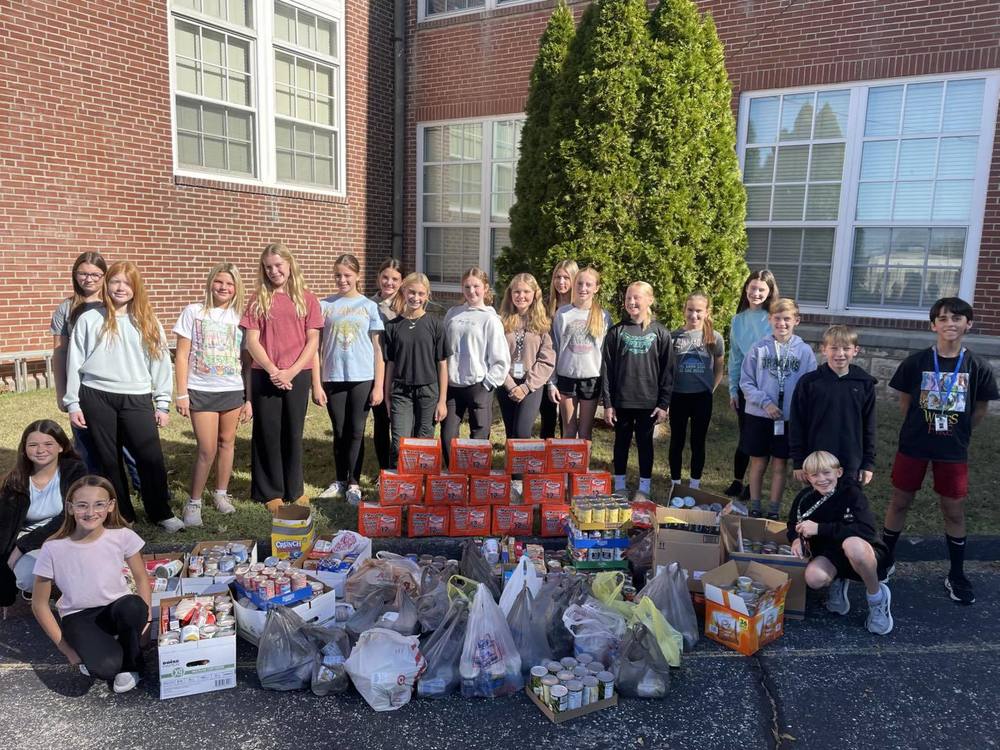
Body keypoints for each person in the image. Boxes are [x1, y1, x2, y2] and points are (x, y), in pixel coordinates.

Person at [881, 297, 999, 605]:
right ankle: (886, 559)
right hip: (915, 444)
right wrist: (919, 427)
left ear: (968, 324)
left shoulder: (978, 367)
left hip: (952, 449)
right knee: (900, 501)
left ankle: (956, 573)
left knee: (953, 508)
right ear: (933, 325)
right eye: (944, 318)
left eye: (957, 318)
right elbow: (905, 403)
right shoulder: (916, 362)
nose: (950, 323)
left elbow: (981, 409)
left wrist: (958, 433)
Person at [64, 261, 182, 531]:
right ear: (107, 284)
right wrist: (73, 403)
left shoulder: (147, 321)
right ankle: (123, 515)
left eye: (127, 283)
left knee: (150, 457)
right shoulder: (90, 319)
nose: (120, 287)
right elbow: (74, 362)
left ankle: (160, 511)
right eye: (115, 281)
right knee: (109, 459)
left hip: (137, 397)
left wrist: (162, 403)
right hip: (96, 395)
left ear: (135, 288)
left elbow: (161, 363)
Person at [31, 476, 151, 693]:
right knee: (106, 668)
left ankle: (133, 663)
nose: (90, 512)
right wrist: (66, 649)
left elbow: (141, 578)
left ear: (111, 506)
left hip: (117, 608)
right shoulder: (53, 548)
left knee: (134, 606)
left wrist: (147, 621)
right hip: (79, 616)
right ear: (69, 508)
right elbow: (39, 604)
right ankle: (107, 646)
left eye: (99, 504)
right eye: (82, 505)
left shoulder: (122, 536)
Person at [241, 243, 323, 514]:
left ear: (289, 264)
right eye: (268, 267)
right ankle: (270, 490)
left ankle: (294, 488)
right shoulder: (257, 299)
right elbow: (251, 340)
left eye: (278, 265)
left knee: (293, 431)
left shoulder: (307, 299)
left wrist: (292, 371)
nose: (274, 271)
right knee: (267, 433)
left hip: (297, 375)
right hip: (265, 374)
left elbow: (313, 341)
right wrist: (273, 369)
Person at [51, 252, 142, 488]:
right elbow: (60, 352)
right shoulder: (66, 308)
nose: (88, 279)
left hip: (118, 387)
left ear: (105, 276)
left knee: (129, 443)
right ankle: (98, 489)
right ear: (75, 275)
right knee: (86, 444)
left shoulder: (115, 303)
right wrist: (62, 392)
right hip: (82, 386)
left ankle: (143, 485)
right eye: (82, 273)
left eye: (95, 274)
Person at [173, 263, 252, 527]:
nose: (223, 288)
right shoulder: (194, 312)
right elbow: (182, 355)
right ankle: (194, 502)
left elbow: (247, 360)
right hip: (201, 389)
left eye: (229, 284)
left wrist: (248, 398)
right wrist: (181, 393)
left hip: (232, 388)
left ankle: (220, 494)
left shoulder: (240, 316)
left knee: (227, 442)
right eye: (219, 282)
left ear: (236, 288)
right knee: (206, 449)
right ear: (210, 282)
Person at [788, 451, 893, 636]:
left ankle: (877, 598)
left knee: (852, 545)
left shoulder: (852, 493)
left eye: (827, 473)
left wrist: (820, 529)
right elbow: (792, 525)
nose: (822, 479)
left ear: (839, 472)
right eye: (815, 475)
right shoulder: (804, 498)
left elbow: (866, 530)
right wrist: (795, 539)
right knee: (814, 578)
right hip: (831, 554)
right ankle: (838, 579)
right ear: (807, 477)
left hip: (864, 550)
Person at [313, 254, 384, 505]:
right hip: (333, 377)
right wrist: (316, 383)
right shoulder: (324, 305)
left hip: (362, 376)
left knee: (356, 431)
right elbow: (316, 348)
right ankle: (340, 480)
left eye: (347, 275)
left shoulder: (369, 306)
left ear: (356, 276)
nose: (342, 280)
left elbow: (377, 350)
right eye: (338, 275)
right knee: (340, 431)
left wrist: (378, 385)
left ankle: (354, 482)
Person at [739, 298, 816, 519]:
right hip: (760, 415)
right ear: (769, 319)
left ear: (796, 321)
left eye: (787, 319)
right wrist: (765, 403)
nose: (782, 323)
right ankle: (755, 505)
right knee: (758, 462)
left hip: (788, 418)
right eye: (777, 319)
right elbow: (746, 382)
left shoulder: (804, 352)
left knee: (780, 464)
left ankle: (773, 509)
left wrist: (799, 411)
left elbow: (809, 385)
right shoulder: (758, 348)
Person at [1, 421, 87, 607]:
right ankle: (40, 593)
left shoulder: (75, 471)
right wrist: (6, 562)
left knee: (76, 570)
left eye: (48, 444)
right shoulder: (15, 481)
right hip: (30, 541)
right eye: (33, 445)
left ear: (61, 446)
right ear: (24, 449)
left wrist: (21, 547)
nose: (40, 450)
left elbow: (71, 515)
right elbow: (4, 527)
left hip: (67, 533)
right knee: (27, 579)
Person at [602, 282, 673, 501]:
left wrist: (663, 403)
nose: (632, 302)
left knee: (645, 445)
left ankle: (644, 487)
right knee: (621, 443)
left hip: (648, 403)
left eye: (637, 298)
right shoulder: (616, 332)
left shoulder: (660, 332)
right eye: (628, 298)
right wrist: (608, 403)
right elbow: (606, 369)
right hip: (622, 401)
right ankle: (620, 484)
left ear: (649, 300)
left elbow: (668, 371)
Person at [790, 325, 877, 486]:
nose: (840, 354)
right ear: (824, 350)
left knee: (847, 506)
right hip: (816, 459)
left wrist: (868, 463)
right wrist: (798, 460)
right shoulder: (809, 383)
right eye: (834, 348)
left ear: (856, 350)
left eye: (846, 348)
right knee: (816, 506)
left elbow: (869, 427)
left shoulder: (864, 384)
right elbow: (797, 423)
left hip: (851, 459)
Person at [441, 267, 510, 466]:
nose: (472, 291)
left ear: (485, 288)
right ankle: (455, 477)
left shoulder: (490, 318)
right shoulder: (453, 314)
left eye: (476, 286)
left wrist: (487, 385)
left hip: (478, 386)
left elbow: (501, 358)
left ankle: (475, 478)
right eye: (467, 287)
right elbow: (443, 348)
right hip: (453, 386)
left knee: (478, 438)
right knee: (448, 436)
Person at [382, 272, 449, 468]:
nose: (416, 298)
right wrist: (387, 396)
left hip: (428, 391)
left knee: (424, 442)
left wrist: (442, 400)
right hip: (401, 392)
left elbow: (442, 364)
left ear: (427, 295)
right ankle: (399, 486)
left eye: (421, 293)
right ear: (403, 291)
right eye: (412, 292)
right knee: (399, 442)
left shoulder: (435, 325)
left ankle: (421, 486)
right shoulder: (393, 326)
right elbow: (391, 364)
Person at [498, 273, 556, 495]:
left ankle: (519, 482)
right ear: (510, 294)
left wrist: (526, 386)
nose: (521, 296)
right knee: (511, 432)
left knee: (522, 432)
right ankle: (510, 479)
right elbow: (496, 355)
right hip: (506, 383)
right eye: (516, 292)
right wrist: (510, 384)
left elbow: (547, 358)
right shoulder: (501, 320)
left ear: (535, 294)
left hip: (532, 386)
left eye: (526, 292)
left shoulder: (543, 323)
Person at [725, 269, 779, 499]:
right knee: (745, 434)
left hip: (767, 387)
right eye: (752, 288)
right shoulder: (738, 320)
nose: (756, 293)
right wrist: (732, 388)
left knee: (761, 436)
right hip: (744, 387)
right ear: (746, 288)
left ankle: (753, 483)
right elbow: (735, 356)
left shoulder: (773, 319)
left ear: (769, 293)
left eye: (761, 290)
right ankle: (738, 480)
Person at [669, 291, 725, 489]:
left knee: (698, 440)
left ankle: (694, 483)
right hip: (678, 396)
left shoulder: (714, 338)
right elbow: (668, 368)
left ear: (707, 312)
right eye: (690, 310)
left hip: (702, 397)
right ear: (684, 310)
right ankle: (675, 481)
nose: (694, 315)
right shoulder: (674, 336)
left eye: (699, 311)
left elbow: (719, 365)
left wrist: (712, 387)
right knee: (677, 439)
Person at [550, 266, 612, 440]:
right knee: (569, 430)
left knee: (585, 432)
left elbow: (606, 354)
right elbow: (554, 348)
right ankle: (567, 467)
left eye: (588, 284)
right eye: (579, 283)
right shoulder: (562, 314)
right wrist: (551, 382)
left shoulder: (604, 316)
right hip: (566, 378)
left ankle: (582, 468)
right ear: (574, 285)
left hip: (591, 379)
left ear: (596, 288)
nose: (583, 288)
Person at [370, 258, 404, 470]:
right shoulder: (368, 304)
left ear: (401, 282)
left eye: (394, 279)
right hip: (376, 368)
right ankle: (384, 469)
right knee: (382, 422)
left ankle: (401, 466)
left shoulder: (406, 305)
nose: (389, 282)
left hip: (400, 370)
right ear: (378, 278)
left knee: (400, 422)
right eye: (385, 277)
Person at [541, 260, 578, 439]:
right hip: (546, 369)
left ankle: (564, 458)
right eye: (557, 277)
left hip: (567, 370)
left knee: (568, 421)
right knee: (547, 417)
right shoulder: (545, 306)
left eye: (566, 277)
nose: (561, 282)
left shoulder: (579, 308)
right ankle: (543, 458)